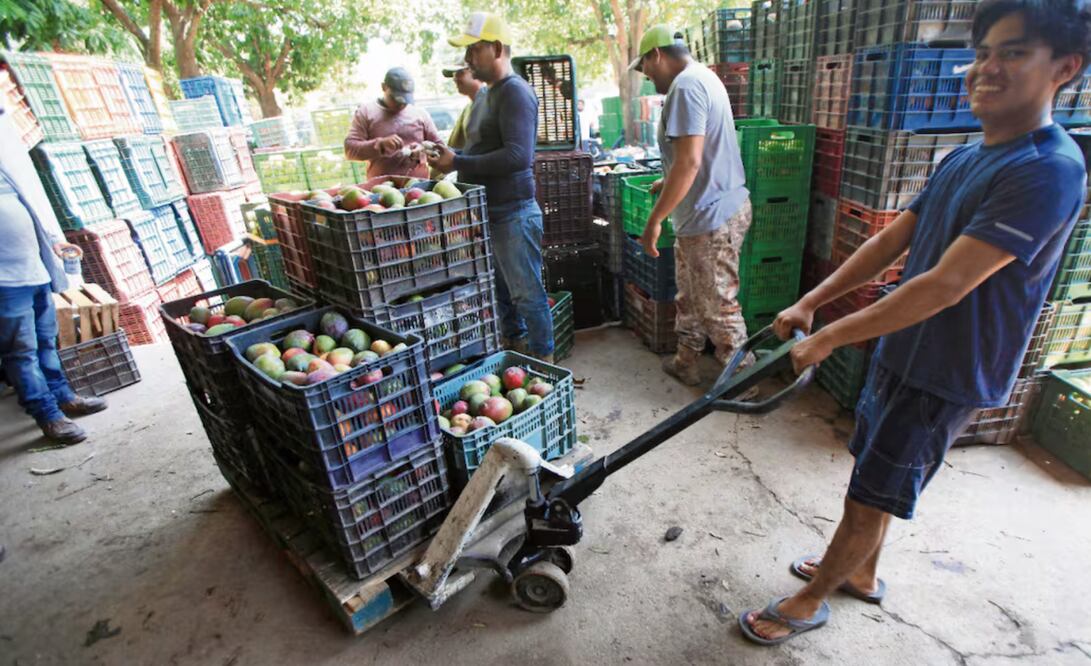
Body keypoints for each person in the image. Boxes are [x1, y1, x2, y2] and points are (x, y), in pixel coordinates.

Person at [740, 0, 1090, 646]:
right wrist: (811, 301)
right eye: (982, 52)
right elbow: (891, 243)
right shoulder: (966, 156)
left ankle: (812, 599)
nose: (986, 68)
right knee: (871, 469)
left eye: (1012, 53)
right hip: (905, 347)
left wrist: (828, 338)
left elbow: (945, 284)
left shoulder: (1047, 170)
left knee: (873, 490)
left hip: (949, 367)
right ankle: (861, 572)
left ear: (1063, 68)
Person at [428, 12, 555, 361]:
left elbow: (517, 156)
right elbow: (482, 150)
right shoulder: (486, 96)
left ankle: (545, 362)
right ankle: (516, 346)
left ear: (497, 48)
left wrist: (457, 163)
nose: (468, 59)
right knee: (502, 293)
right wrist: (450, 156)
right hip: (490, 213)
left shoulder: (516, 93)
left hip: (513, 213)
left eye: (474, 49)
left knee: (527, 294)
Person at [631, 25, 752, 386]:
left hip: (712, 216)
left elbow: (690, 162)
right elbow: (694, 156)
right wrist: (666, 182)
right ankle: (686, 360)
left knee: (717, 304)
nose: (646, 76)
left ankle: (744, 381)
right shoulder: (703, 78)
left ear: (657, 55)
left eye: (644, 67)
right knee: (691, 295)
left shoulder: (685, 86)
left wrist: (655, 220)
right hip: (702, 214)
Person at [0, 106, 108, 445]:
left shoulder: (5, 167)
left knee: (47, 341)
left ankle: (63, 396)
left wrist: (51, 242)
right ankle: (47, 415)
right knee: (21, 351)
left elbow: (27, 205)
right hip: (5, 281)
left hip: (34, 268)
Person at [344, 67, 443, 180]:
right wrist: (380, 145)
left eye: (406, 100)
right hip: (381, 189)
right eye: (396, 98)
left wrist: (423, 152)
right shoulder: (365, 112)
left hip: (420, 188)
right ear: (384, 87)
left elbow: (440, 149)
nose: (401, 104)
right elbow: (350, 150)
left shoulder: (420, 114)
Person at [441, 59, 485, 151]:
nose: (454, 78)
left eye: (460, 72)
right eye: (453, 74)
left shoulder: (490, 103)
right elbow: (456, 147)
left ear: (475, 73)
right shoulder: (468, 108)